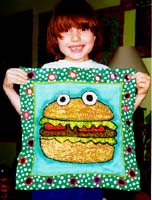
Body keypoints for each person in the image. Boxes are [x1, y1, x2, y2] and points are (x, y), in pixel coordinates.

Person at [3, 0, 150, 199]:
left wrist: (139, 95)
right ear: (55, 37)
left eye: (83, 28)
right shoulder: (46, 73)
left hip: (92, 174)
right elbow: (32, 118)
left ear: (95, 34)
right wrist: (9, 88)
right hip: (48, 178)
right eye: (65, 30)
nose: (75, 37)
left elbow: (116, 118)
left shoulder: (105, 74)